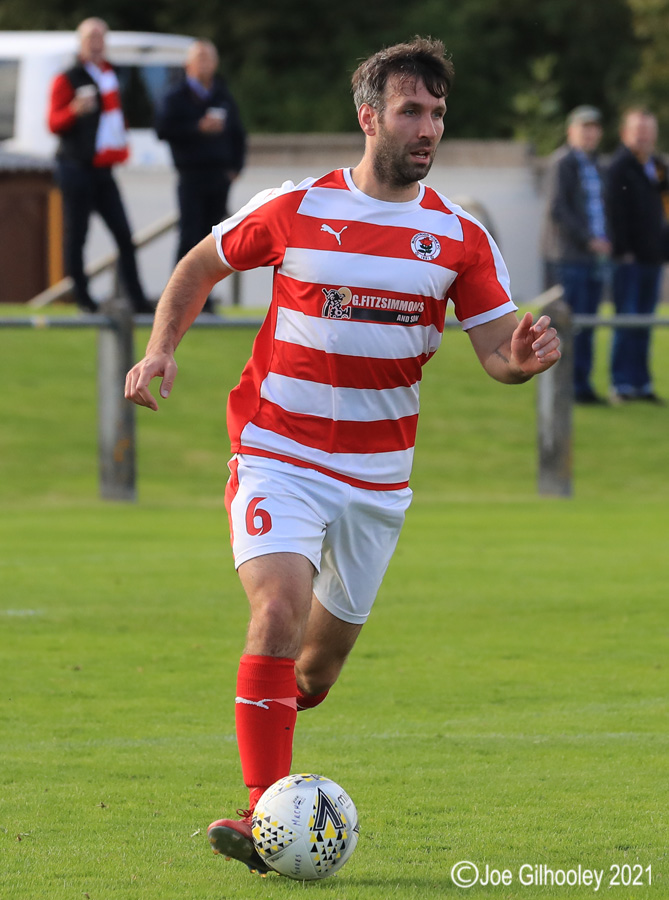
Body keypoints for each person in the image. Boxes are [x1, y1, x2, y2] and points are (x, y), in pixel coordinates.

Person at [125, 37, 561, 876]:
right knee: (276, 611)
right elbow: (199, 265)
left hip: (376, 480)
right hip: (277, 452)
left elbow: (497, 353)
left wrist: (523, 359)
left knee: (314, 672)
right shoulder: (294, 207)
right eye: (410, 110)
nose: (426, 127)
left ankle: (282, 735)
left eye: (437, 113)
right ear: (368, 117)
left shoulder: (459, 237)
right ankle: (263, 815)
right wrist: (160, 350)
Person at [47, 18, 152, 314]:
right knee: (77, 236)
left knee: (124, 235)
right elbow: (53, 122)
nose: (96, 44)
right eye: (90, 38)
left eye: (100, 38)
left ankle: (137, 298)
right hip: (75, 166)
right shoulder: (68, 77)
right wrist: (73, 111)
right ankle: (83, 298)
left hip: (103, 167)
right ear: (80, 43)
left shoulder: (110, 74)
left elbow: (116, 116)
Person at [156, 38, 246, 312]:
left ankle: (203, 301)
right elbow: (162, 129)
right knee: (189, 237)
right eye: (200, 58)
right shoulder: (176, 96)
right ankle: (178, 300)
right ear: (188, 64)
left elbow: (238, 133)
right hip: (191, 174)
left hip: (219, 176)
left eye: (209, 58)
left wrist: (235, 167)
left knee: (214, 240)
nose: (205, 64)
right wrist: (197, 127)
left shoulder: (222, 94)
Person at [542, 105, 611, 404]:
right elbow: (558, 209)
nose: (589, 133)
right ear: (571, 131)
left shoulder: (598, 164)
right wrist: (588, 240)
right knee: (566, 326)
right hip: (569, 257)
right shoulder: (563, 163)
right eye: (584, 128)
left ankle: (582, 385)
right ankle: (564, 387)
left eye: (594, 128)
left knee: (587, 325)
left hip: (594, 259)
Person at [607, 107, 669, 403]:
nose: (643, 137)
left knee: (645, 324)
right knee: (626, 321)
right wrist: (623, 250)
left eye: (648, 131)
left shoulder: (657, 166)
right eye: (638, 131)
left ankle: (641, 384)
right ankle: (621, 384)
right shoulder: (619, 167)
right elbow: (613, 213)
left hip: (653, 259)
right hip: (629, 260)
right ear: (625, 133)